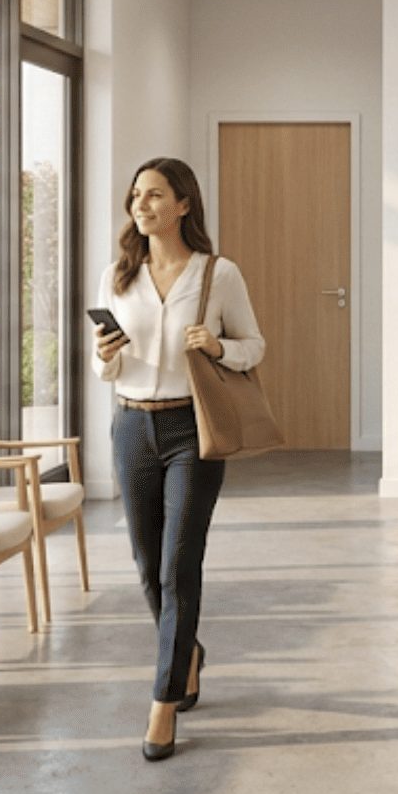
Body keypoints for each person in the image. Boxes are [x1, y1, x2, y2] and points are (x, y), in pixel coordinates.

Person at [92, 156, 265, 761]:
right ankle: (186, 653)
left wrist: (218, 346)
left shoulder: (219, 274)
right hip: (130, 426)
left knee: (178, 565)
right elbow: (105, 365)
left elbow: (253, 345)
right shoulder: (118, 276)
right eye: (136, 195)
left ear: (184, 204)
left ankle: (163, 703)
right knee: (147, 565)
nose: (141, 205)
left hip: (192, 429)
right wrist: (105, 355)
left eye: (155, 195)